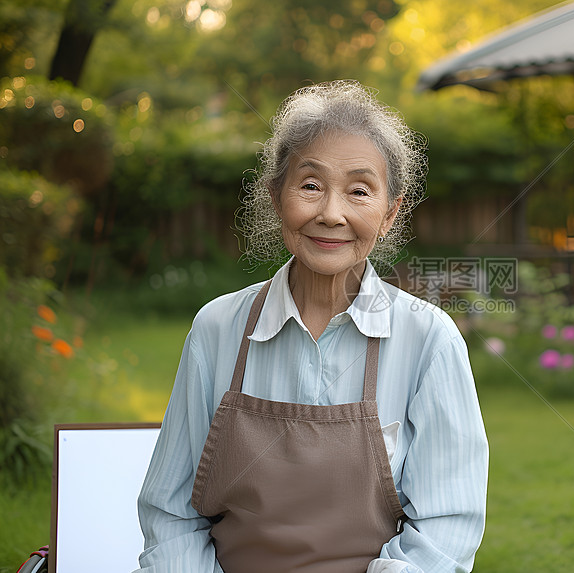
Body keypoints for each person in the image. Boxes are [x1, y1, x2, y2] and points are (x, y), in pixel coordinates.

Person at [135, 80, 489, 573]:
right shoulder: (216, 329)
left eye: (359, 191)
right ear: (276, 196)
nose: (331, 213)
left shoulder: (428, 338)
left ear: (389, 214)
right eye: (310, 185)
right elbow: (170, 514)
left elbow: (446, 527)